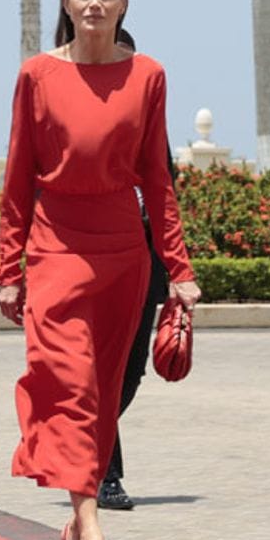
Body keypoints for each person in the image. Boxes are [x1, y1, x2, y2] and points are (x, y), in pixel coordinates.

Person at [0, 0, 201, 540]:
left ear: (124, 4)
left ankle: (77, 526)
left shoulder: (149, 76)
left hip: (123, 260)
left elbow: (158, 182)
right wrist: (9, 269)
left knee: (105, 402)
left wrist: (180, 269)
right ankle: (91, 534)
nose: (93, 3)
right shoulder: (35, 75)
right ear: (64, 2)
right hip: (54, 251)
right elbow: (17, 179)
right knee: (74, 393)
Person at [96, 27, 171, 513]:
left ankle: (80, 426)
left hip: (142, 264)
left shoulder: (149, 118)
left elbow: (166, 196)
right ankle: (106, 475)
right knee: (99, 373)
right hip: (88, 260)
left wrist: (179, 274)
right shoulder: (70, 110)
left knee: (131, 373)